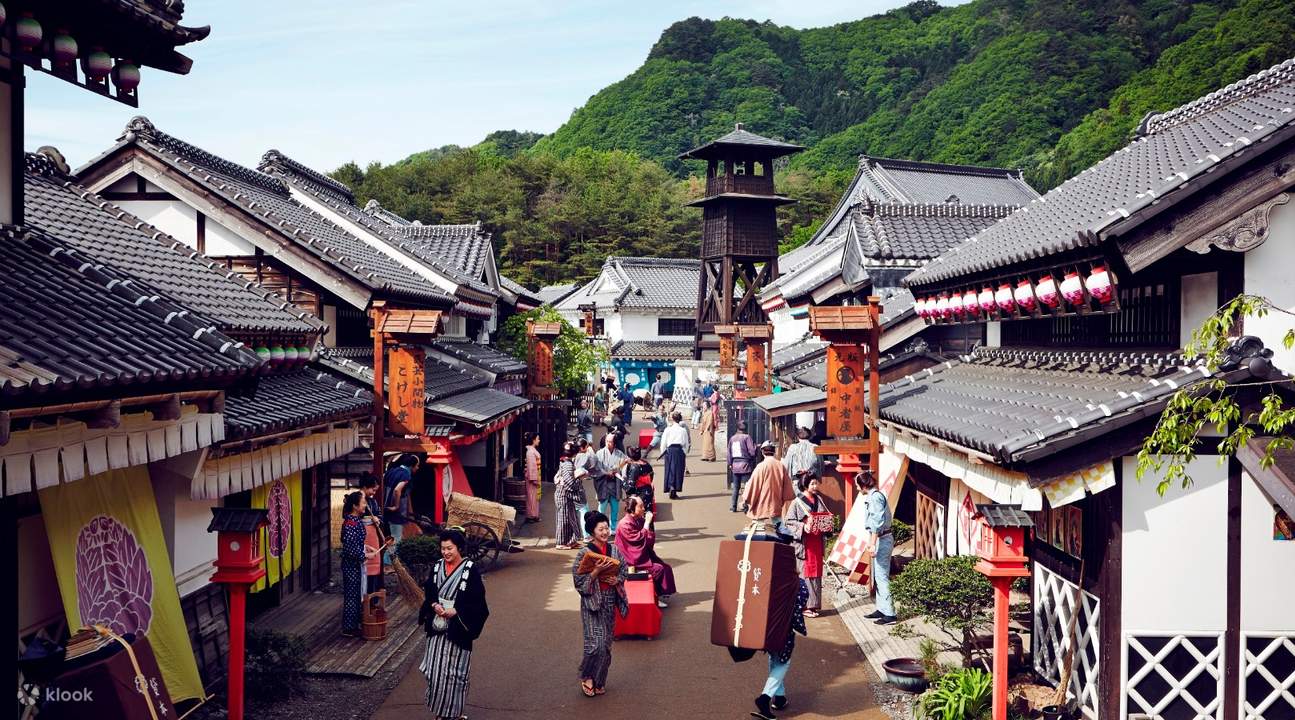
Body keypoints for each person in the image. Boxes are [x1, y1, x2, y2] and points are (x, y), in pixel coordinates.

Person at [418, 528, 490, 720]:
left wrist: (457, 610)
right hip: (437, 627)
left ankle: (452, 715)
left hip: (458, 628)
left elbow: (478, 601)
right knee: (434, 672)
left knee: (454, 675)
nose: (446, 552)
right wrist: (434, 604)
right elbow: (430, 590)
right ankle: (442, 712)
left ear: (459, 548)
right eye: (443, 549)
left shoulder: (470, 570)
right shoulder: (437, 567)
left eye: (449, 548)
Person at [572, 511, 628, 698]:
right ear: (592, 532)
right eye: (601, 529)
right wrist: (596, 571)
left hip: (609, 599)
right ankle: (587, 676)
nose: (605, 532)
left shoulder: (614, 550)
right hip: (591, 602)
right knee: (594, 644)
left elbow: (624, 569)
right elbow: (579, 582)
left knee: (606, 644)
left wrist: (616, 579)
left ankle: (599, 680)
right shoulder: (584, 553)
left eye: (606, 528)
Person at [752, 579, 809, 719]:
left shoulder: (766, 578)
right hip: (783, 630)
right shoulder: (798, 584)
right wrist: (801, 628)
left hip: (766, 629)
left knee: (775, 659)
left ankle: (780, 697)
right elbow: (797, 610)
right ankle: (765, 698)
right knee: (783, 663)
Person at [614, 497, 675, 607]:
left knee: (665, 567)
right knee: (658, 569)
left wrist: (647, 527)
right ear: (632, 509)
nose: (643, 508)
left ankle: (658, 595)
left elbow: (647, 539)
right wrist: (647, 523)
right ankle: (655, 597)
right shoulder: (624, 524)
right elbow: (637, 540)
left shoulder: (638, 519)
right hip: (630, 560)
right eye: (640, 506)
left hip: (640, 555)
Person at [783, 473, 828, 617]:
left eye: (816, 483)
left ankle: (813, 605)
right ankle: (804, 606)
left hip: (816, 541)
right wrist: (802, 526)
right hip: (804, 543)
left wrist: (827, 525)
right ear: (805, 485)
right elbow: (788, 522)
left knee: (816, 574)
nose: (815, 486)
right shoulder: (797, 502)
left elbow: (825, 516)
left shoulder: (818, 499)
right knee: (805, 574)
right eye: (812, 484)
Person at [858, 470, 897, 625]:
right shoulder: (873, 496)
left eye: (857, 485)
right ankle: (882, 608)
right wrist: (871, 541)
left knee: (881, 576)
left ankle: (890, 614)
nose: (856, 488)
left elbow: (877, 523)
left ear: (863, 485)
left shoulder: (875, 498)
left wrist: (872, 543)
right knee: (878, 575)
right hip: (880, 538)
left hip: (882, 539)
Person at [743, 441, 794, 532]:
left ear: (762, 452)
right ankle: (785, 540)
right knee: (778, 523)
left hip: (761, 501)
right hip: (776, 500)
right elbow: (787, 486)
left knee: (758, 525)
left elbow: (753, 485)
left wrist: (746, 498)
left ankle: (759, 544)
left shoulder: (761, 466)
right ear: (774, 451)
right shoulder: (780, 465)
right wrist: (784, 498)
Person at [340, 492, 367, 637]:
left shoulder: (356, 521)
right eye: (363, 503)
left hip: (356, 564)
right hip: (351, 565)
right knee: (352, 595)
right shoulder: (350, 524)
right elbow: (350, 548)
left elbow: (357, 543)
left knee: (357, 593)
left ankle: (355, 623)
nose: (365, 505)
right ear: (355, 506)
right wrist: (364, 555)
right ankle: (349, 628)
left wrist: (367, 549)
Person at [358, 473, 390, 591]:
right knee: (363, 567)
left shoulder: (373, 502)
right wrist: (369, 518)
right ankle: (364, 599)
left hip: (373, 537)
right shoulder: (356, 499)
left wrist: (377, 520)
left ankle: (373, 598)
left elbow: (380, 516)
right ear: (365, 487)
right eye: (373, 489)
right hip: (361, 537)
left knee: (374, 566)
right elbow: (350, 515)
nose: (374, 493)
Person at [553, 442, 586, 550]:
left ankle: (571, 541)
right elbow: (570, 484)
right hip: (564, 495)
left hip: (565, 495)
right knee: (564, 519)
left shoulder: (564, 461)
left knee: (571, 518)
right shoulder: (567, 464)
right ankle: (561, 543)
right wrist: (579, 478)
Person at [383, 453, 419, 547]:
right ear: (411, 466)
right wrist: (396, 506)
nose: (418, 468)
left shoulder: (391, 471)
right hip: (395, 512)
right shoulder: (406, 474)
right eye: (417, 465)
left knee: (390, 536)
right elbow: (397, 489)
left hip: (385, 508)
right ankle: (389, 560)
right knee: (396, 538)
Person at [593, 432, 627, 527]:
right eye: (607, 441)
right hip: (603, 484)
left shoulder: (620, 454)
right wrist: (606, 473)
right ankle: (599, 526)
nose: (608, 443)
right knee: (601, 509)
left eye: (610, 442)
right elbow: (597, 468)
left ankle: (613, 527)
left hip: (615, 485)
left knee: (615, 509)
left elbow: (624, 466)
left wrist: (619, 470)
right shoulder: (599, 453)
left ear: (615, 443)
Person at [728, 421, 758, 512]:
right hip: (745, 465)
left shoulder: (732, 438)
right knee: (747, 487)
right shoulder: (747, 437)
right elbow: (752, 451)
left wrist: (730, 464)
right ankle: (746, 506)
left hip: (735, 465)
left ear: (737, 428)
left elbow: (729, 453)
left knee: (736, 488)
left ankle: (733, 507)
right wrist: (756, 447)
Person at [660, 411, 691, 499]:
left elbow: (663, 442)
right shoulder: (683, 430)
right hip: (679, 451)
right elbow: (686, 443)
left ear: (672, 419)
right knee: (678, 471)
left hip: (670, 450)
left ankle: (670, 486)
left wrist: (663, 452)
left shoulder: (668, 429)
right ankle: (675, 488)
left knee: (670, 470)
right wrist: (684, 452)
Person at [574, 437, 598, 535]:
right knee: (584, 510)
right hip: (577, 486)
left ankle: (575, 534)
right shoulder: (583, 456)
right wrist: (591, 450)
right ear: (584, 447)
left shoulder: (572, 456)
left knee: (573, 512)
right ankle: (586, 535)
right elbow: (594, 463)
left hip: (568, 487)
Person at [621, 446, 655, 513]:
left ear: (630, 457)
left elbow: (630, 488)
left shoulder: (634, 468)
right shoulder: (646, 463)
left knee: (640, 516)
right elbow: (651, 476)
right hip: (648, 491)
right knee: (648, 513)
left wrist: (622, 481)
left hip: (639, 495)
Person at [523, 431, 542, 524]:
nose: (539, 440)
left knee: (535, 497)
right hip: (532, 477)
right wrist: (534, 479)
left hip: (536, 475)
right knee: (531, 497)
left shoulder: (531, 450)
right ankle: (530, 515)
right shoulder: (530, 452)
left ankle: (534, 515)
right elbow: (531, 467)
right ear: (533, 440)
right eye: (538, 439)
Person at [698, 392, 717, 462]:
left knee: (710, 443)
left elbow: (710, 421)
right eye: (703, 406)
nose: (703, 407)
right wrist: (701, 430)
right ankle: (705, 456)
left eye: (704, 406)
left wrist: (706, 429)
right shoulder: (705, 413)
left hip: (709, 430)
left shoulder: (710, 413)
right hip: (705, 430)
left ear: (707, 406)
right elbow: (703, 423)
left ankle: (712, 457)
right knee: (705, 443)